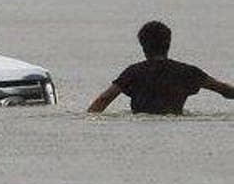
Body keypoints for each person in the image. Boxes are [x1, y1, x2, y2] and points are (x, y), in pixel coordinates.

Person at [88, 21, 234, 114]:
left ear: (143, 46)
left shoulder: (133, 72)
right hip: (175, 123)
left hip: (139, 127)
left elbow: (104, 99)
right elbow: (224, 90)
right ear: (169, 43)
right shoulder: (188, 72)